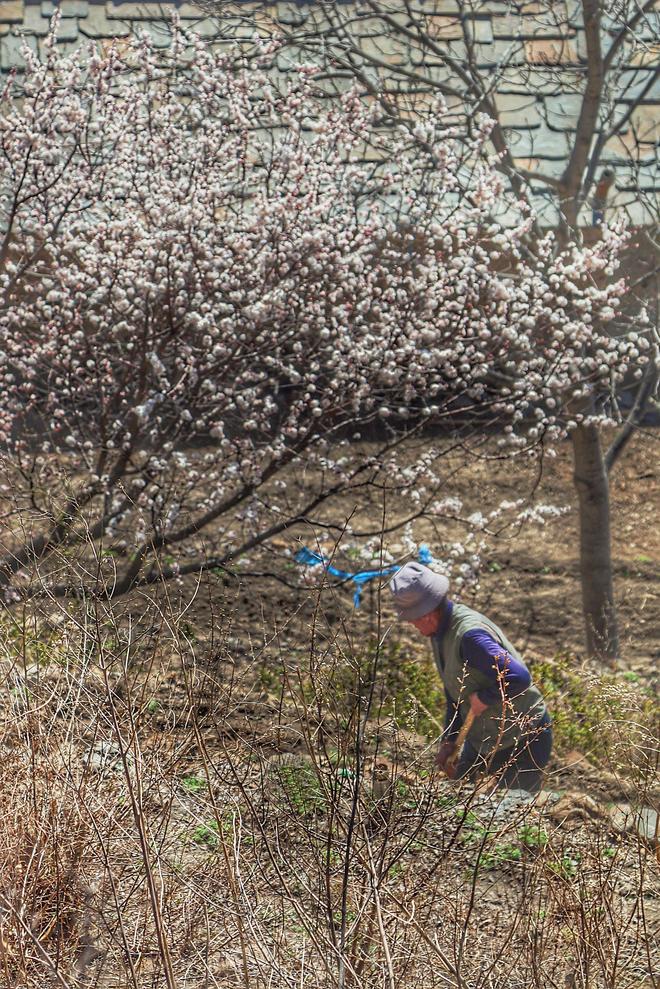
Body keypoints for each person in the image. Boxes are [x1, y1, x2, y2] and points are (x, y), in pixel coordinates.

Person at [389, 561, 552, 794]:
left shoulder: (469, 636)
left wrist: (486, 697)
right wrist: (449, 740)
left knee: (509, 811)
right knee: (460, 801)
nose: (412, 625)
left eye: (412, 619)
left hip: (523, 738)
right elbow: (454, 695)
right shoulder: (440, 634)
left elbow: (519, 677)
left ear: (426, 615)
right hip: (484, 739)